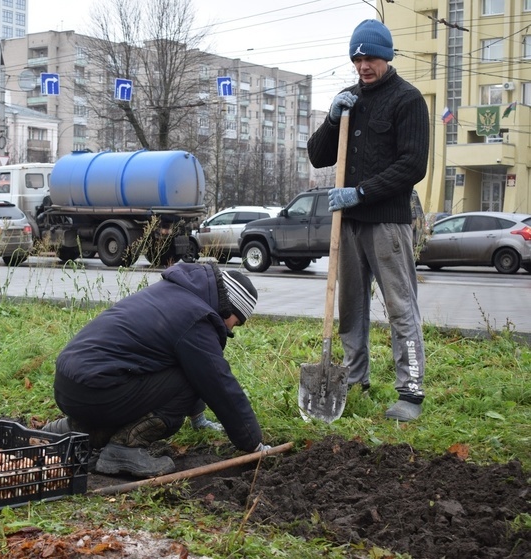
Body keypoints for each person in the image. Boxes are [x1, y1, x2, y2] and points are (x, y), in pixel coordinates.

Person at [307, 19, 429, 421]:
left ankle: (410, 392)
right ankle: (355, 379)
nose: (363, 65)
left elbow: (412, 164)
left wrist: (361, 192)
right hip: (350, 225)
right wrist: (330, 119)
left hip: (387, 222)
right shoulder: (348, 98)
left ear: (387, 56)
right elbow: (318, 156)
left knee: (399, 306)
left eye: (370, 57)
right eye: (357, 58)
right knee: (351, 309)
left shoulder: (407, 100)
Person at [41, 262, 268, 478]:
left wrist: (198, 416)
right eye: (236, 323)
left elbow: (176, 362)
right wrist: (253, 442)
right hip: (97, 391)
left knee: (186, 369)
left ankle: (77, 430)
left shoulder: (173, 293)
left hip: (69, 385)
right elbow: (218, 383)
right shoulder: (197, 318)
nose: (231, 330)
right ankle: (124, 448)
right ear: (230, 308)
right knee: (194, 378)